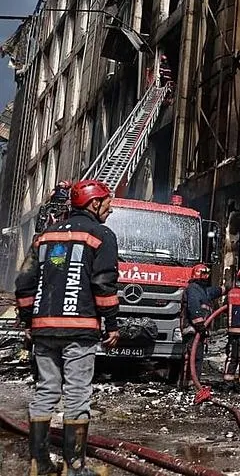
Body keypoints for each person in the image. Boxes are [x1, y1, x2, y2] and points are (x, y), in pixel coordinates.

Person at [15, 179, 120, 476]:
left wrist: (27, 322)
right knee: (77, 393)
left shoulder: (44, 236)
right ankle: (74, 467)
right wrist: (111, 324)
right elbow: (104, 284)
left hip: (43, 329)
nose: (109, 211)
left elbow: (24, 283)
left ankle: (39, 464)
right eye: (107, 205)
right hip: (80, 328)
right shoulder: (101, 235)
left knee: (45, 391)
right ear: (93, 203)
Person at [180, 263, 225, 385]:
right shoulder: (193, 289)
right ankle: (188, 384)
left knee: (197, 358)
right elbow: (194, 308)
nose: (207, 277)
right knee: (191, 358)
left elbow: (214, 292)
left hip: (198, 331)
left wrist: (227, 288)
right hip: (193, 330)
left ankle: (193, 383)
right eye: (205, 274)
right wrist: (200, 325)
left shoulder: (203, 290)